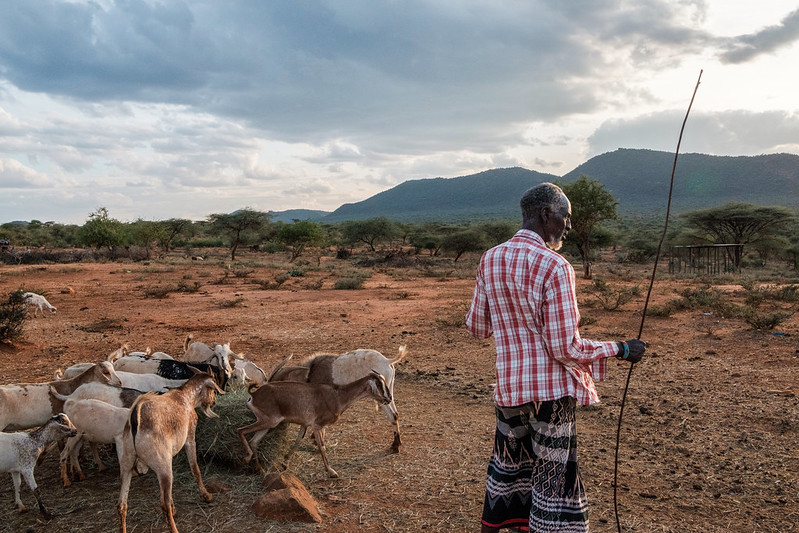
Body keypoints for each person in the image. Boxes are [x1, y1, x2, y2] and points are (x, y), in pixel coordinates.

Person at [465, 182, 646, 532]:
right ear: (547, 214)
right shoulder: (555, 266)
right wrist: (621, 348)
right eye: (566, 216)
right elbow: (566, 349)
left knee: (511, 469)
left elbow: (476, 327)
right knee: (554, 478)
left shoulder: (490, 258)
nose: (568, 225)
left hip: (509, 390)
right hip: (551, 395)